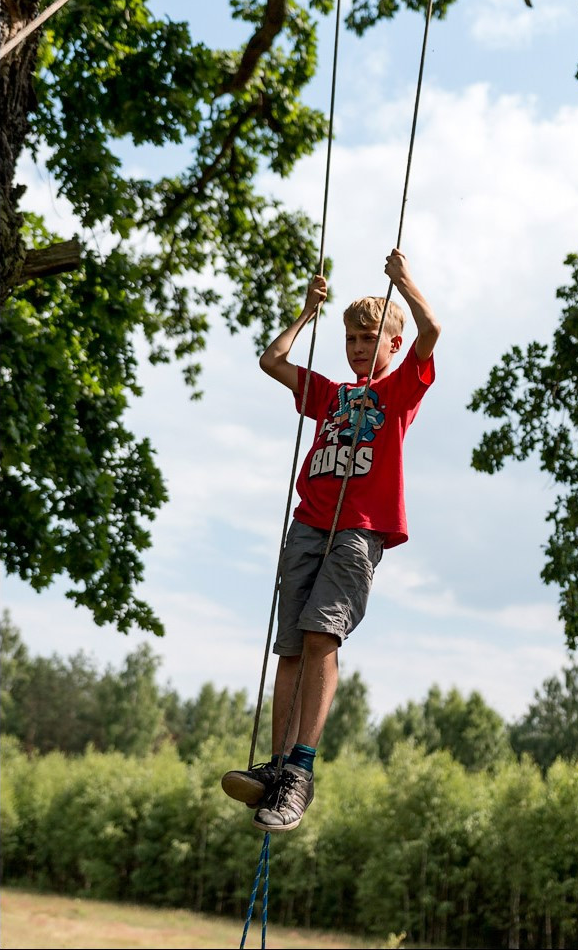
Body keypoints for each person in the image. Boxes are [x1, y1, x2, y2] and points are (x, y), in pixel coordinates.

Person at [221, 248, 441, 832]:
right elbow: (272, 360)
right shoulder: (329, 395)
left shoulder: (399, 392)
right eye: (351, 340)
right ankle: (274, 767)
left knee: (322, 634)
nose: (358, 348)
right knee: (291, 645)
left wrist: (404, 282)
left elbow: (432, 332)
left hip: (358, 529)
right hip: (308, 525)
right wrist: (306, 313)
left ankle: (300, 770)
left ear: (392, 345)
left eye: (369, 339)